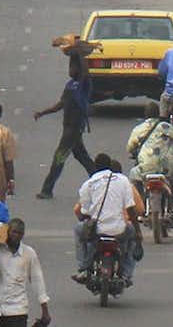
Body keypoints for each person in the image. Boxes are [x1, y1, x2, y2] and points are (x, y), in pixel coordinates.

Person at [33, 56, 96, 200]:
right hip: (69, 130)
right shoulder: (70, 85)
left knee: (59, 158)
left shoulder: (83, 84)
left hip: (73, 130)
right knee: (82, 157)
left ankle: (47, 190)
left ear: (79, 69)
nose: (70, 70)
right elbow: (60, 104)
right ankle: (101, 180)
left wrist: (80, 54)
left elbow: (86, 73)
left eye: (73, 67)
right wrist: (43, 112)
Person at [74, 155, 141, 286]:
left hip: (97, 231)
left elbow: (84, 211)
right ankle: (127, 274)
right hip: (119, 229)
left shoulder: (89, 184)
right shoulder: (123, 181)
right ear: (110, 165)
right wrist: (138, 232)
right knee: (132, 239)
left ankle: (83, 268)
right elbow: (131, 208)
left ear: (95, 167)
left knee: (78, 230)